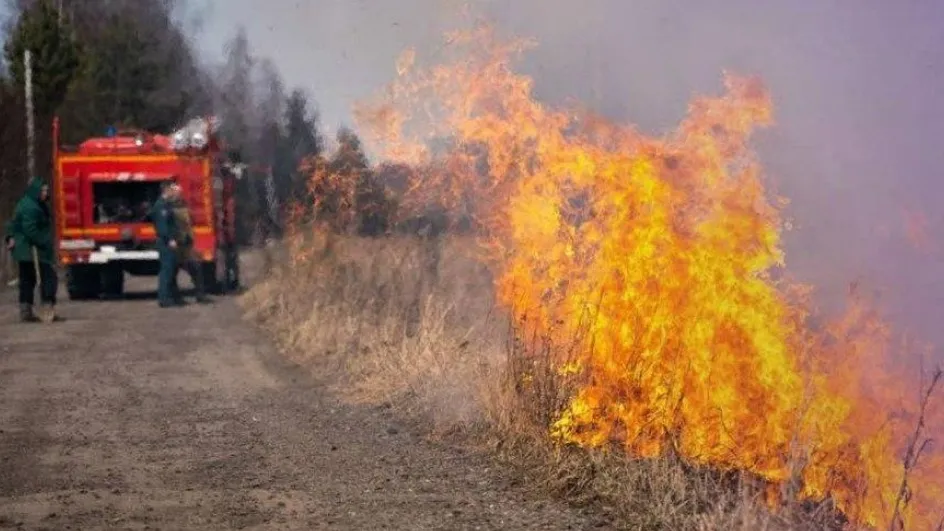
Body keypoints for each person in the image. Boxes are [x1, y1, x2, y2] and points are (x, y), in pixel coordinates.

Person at [5, 178, 64, 322]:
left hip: (26, 249)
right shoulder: (30, 207)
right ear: (36, 191)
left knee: (27, 279)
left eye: (46, 190)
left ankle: (26, 310)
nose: (46, 193)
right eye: (43, 190)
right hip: (32, 249)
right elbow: (30, 229)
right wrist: (43, 242)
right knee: (48, 277)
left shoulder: (30, 202)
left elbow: (14, 224)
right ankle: (47, 308)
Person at [168, 190, 211, 305]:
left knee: (194, 268)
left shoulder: (182, 210)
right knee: (175, 271)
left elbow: (190, 222)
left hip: (186, 243)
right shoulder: (171, 212)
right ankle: (178, 297)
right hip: (178, 244)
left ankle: (199, 295)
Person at [152, 181, 181, 308]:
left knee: (172, 270)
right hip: (165, 243)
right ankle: (163, 299)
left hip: (168, 242)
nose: (173, 192)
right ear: (166, 190)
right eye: (171, 189)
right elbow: (162, 226)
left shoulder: (167, 204)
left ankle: (172, 297)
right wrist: (170, 239)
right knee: (166, 271)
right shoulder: (161, 206)